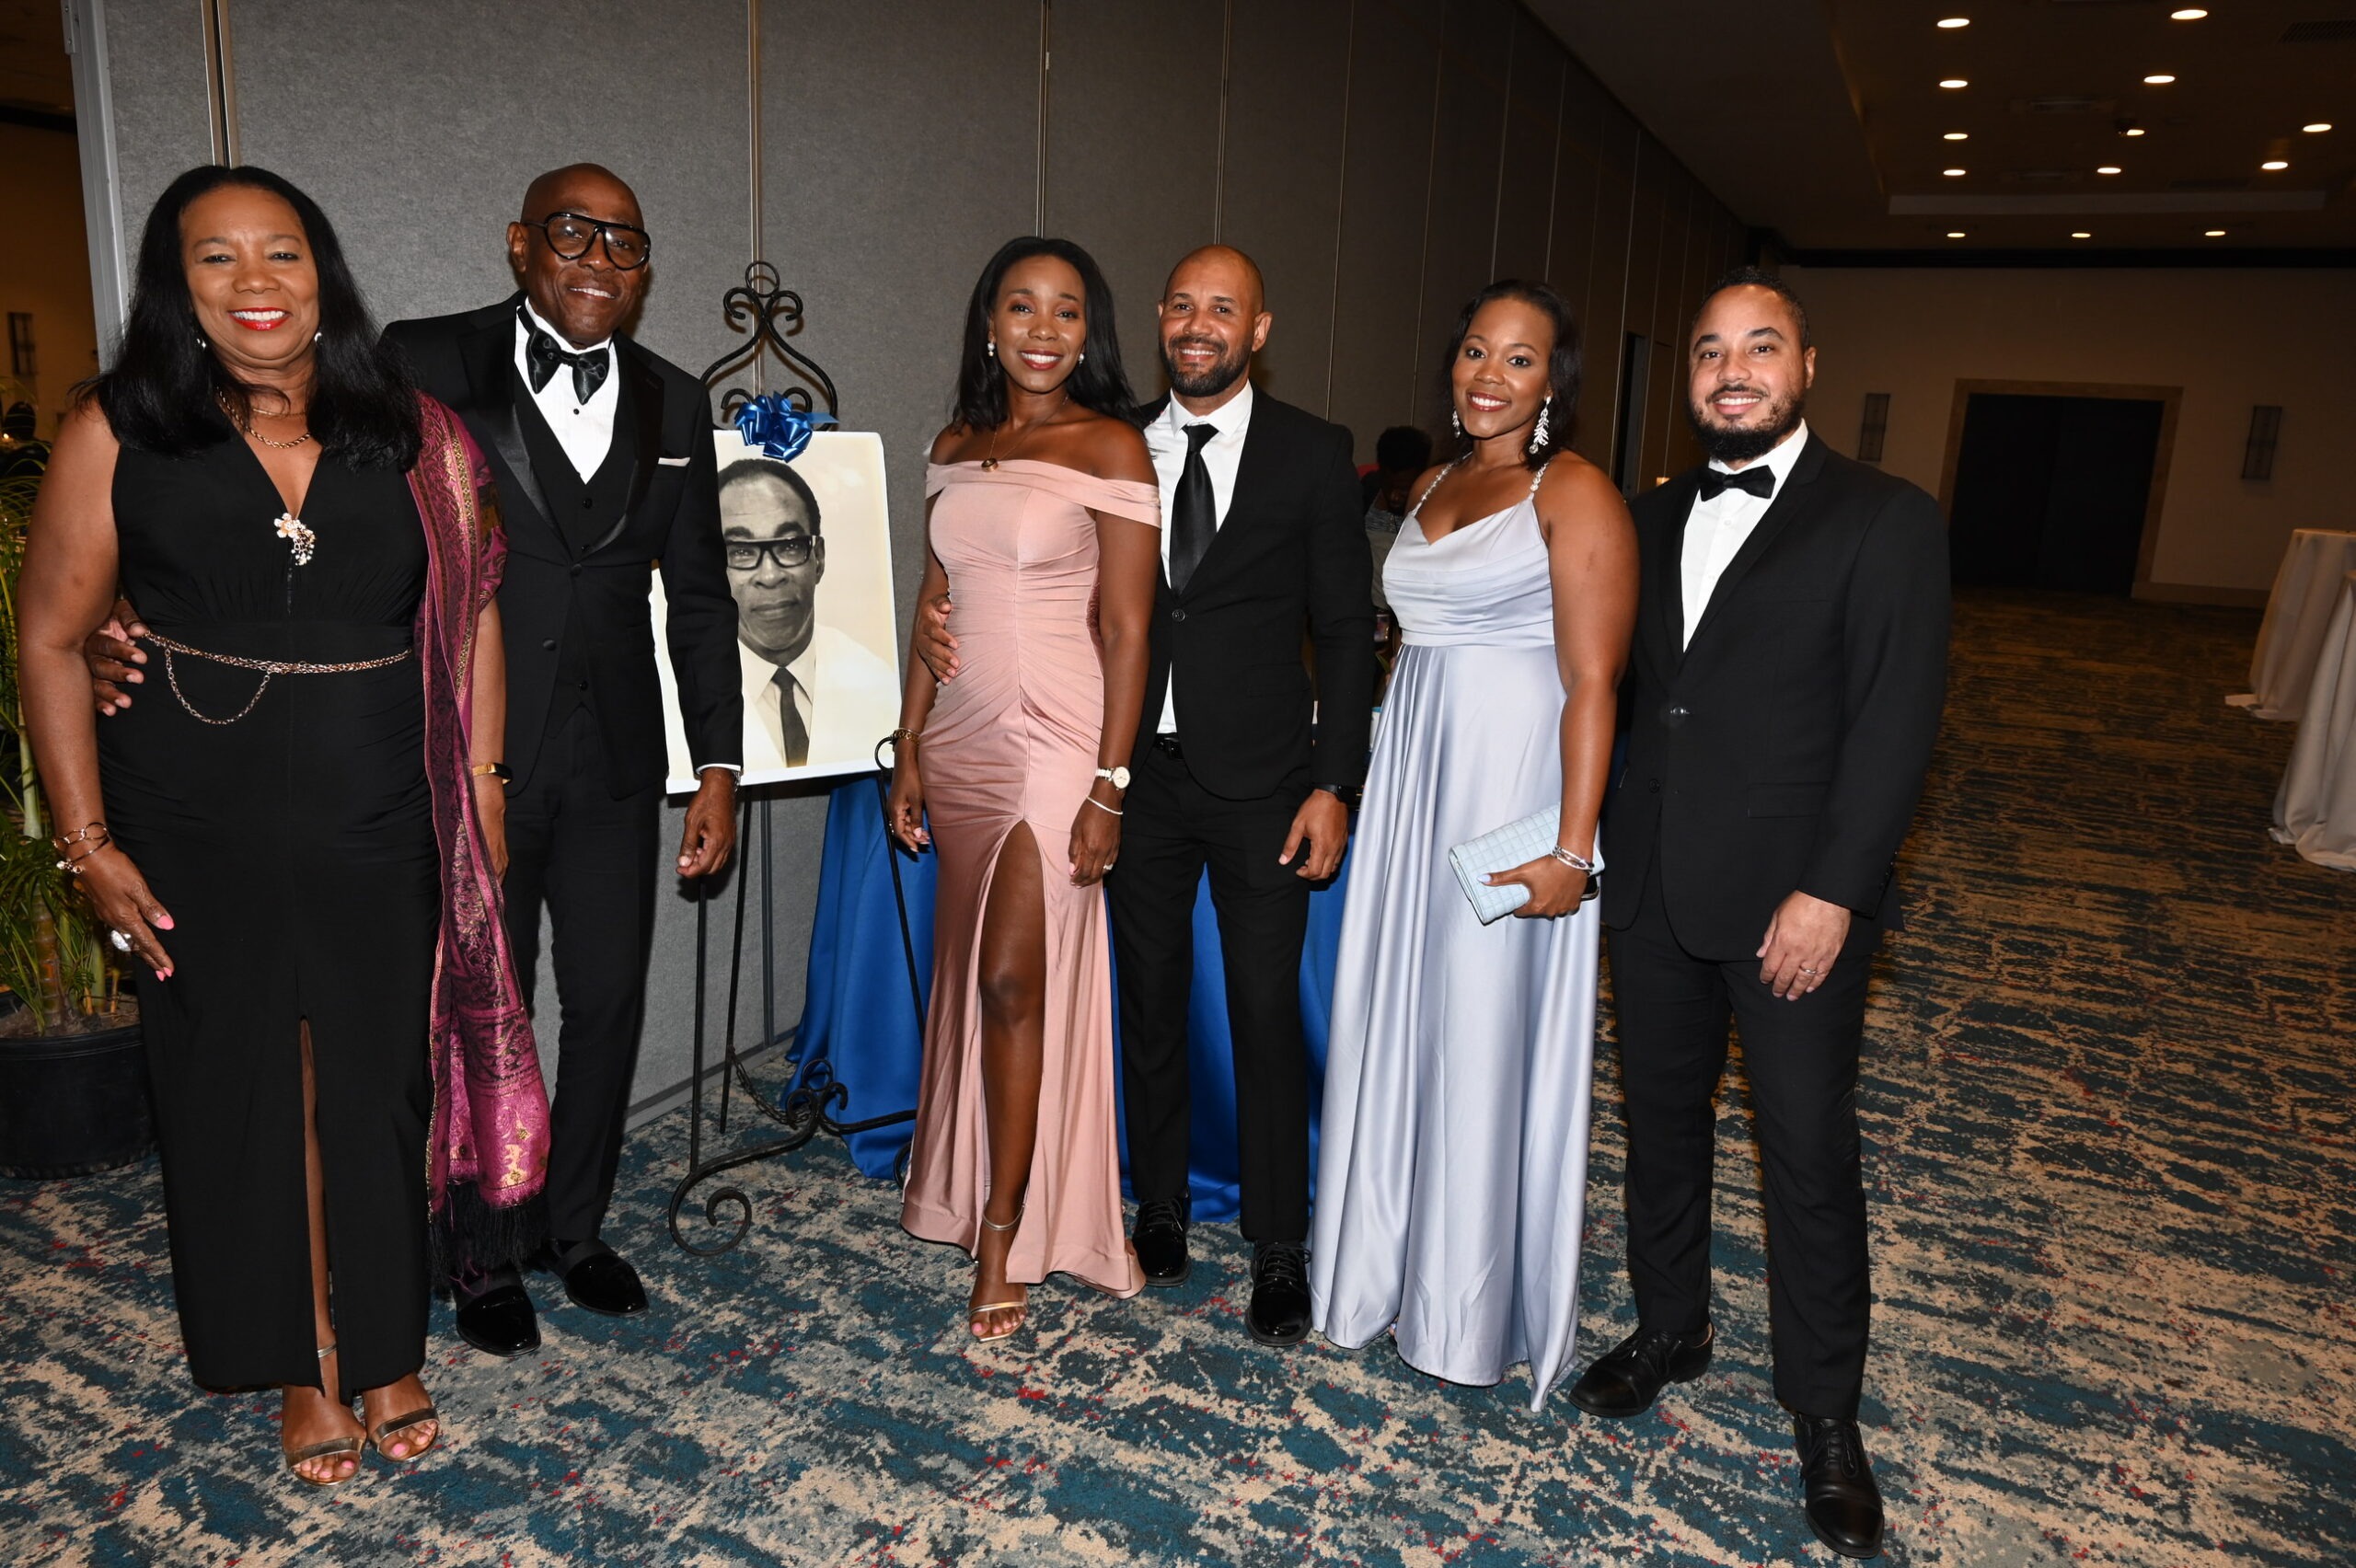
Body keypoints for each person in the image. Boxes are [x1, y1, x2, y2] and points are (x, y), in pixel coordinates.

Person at [94, 164, 745, 1355]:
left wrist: (719, 766)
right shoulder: (418, 361)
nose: (599, 259)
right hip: (452, 751)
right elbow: (296, 524)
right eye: (572, 233)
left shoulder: (679, 399)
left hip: (615, 757)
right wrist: (130, 619)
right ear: (519, 244)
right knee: (473, 1002)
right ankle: (478, 1250)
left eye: (626, 242)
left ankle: (575, 1228)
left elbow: (701, 596)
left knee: (607, 1001)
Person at [19, 165, 547, 1483]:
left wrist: (483, 787)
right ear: (176, 284)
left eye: (283, 252)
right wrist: (87, 844)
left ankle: (386, 1344)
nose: (256, 282)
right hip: (192, 813)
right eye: (217, 257)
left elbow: (474, 609)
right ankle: (298, 1356)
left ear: (325, 275)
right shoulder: (118, 429)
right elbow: (52, 638)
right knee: (242, 1087)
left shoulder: (416, 433)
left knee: (377, 1083)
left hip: (385, 805)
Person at [917, 245, 1373, 1346]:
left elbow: (1342, 628)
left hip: (1259, 776)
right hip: (1126, 772)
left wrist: (1334, 781)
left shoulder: (1313, 451)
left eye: (1223, 308)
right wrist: (941, 628)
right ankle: (1156, 1204)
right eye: (1181, 304)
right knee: (1147, 999)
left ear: (1258, 330)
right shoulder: (1112, 436)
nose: (1198, 325)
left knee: (1262, 1009)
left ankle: (1277, 1241)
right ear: (1158, 320)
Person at [1568, 267, 1948, 1561]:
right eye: (1711, 351)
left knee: (1805, 1154)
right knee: (1661, 1124)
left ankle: (1825, 1413)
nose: (1733, 372)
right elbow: (1610, 688)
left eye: (1761, 347)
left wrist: (1835, 890)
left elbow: (1895, 724)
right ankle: (1670, 1326)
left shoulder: (1884, 517)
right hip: (1654, 883)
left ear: (1807, 366)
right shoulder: (1641, 513)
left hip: (1795, 901)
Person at [1311, 281, 1634, 1403]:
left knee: (1479, 1032)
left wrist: (1572, 851)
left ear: (1553, 383)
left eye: (1520, 359)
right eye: (1475, 352)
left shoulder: (1574, 490)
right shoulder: (1434, 482)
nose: (1490, 375)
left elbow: (1595, 684)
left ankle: (1463, 1313)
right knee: (1400, 1013)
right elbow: (1413, 643)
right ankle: (1378, 1273)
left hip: (1510, 778)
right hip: (1415, 775)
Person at [887, 236, 1160, 1338]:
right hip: (959, 737)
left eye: (1066, 311)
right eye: (1020, 306)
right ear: (988, 322)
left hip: (1059, 738)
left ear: (1088, 334)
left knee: (1009, 977)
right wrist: (907, 742)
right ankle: (976, 1187)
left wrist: (1111, 784)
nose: (1042, 329)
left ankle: (1004, 1224)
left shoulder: (1111, 445)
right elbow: (931, 604)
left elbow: (1129, 629)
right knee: (977, 974)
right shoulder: (953, 445)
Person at [718, 455, 899, 770]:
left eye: (790, 546)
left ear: (819, 558)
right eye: (741, 551)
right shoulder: (676, 698)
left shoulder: (874, 681)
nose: (770, 576)